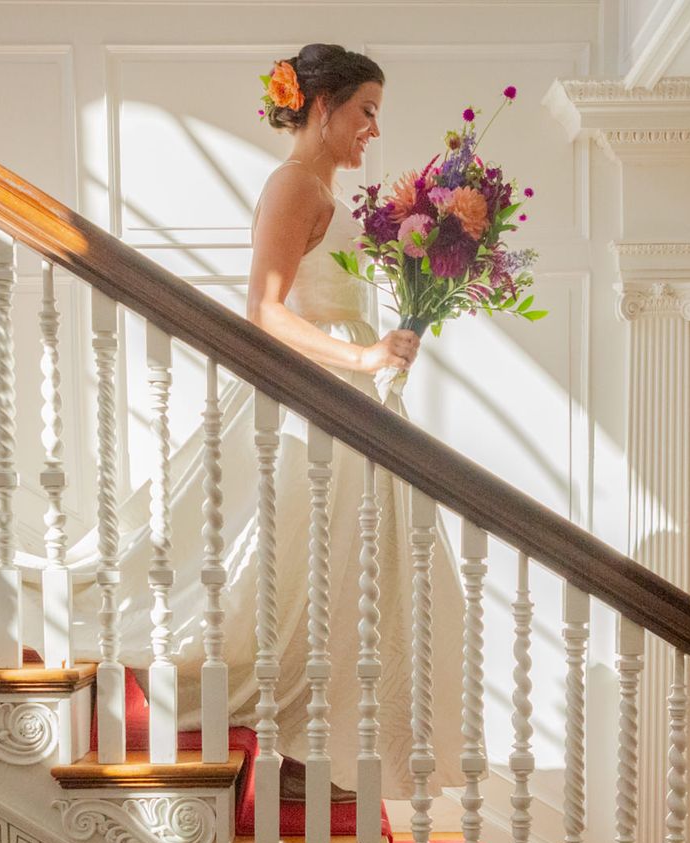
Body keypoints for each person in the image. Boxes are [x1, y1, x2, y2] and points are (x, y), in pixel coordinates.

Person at [86, 44, 463, 794]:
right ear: (323, 107)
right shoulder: (294, 184)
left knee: (346, 567)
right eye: (365, 112)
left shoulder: (323, 187)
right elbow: (263, 313)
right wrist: (360, 361)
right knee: (308, 566)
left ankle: (311, 748)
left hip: (344, 392)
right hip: (310, 400)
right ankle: (295, 741)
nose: (372, 131)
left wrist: (391, 336)